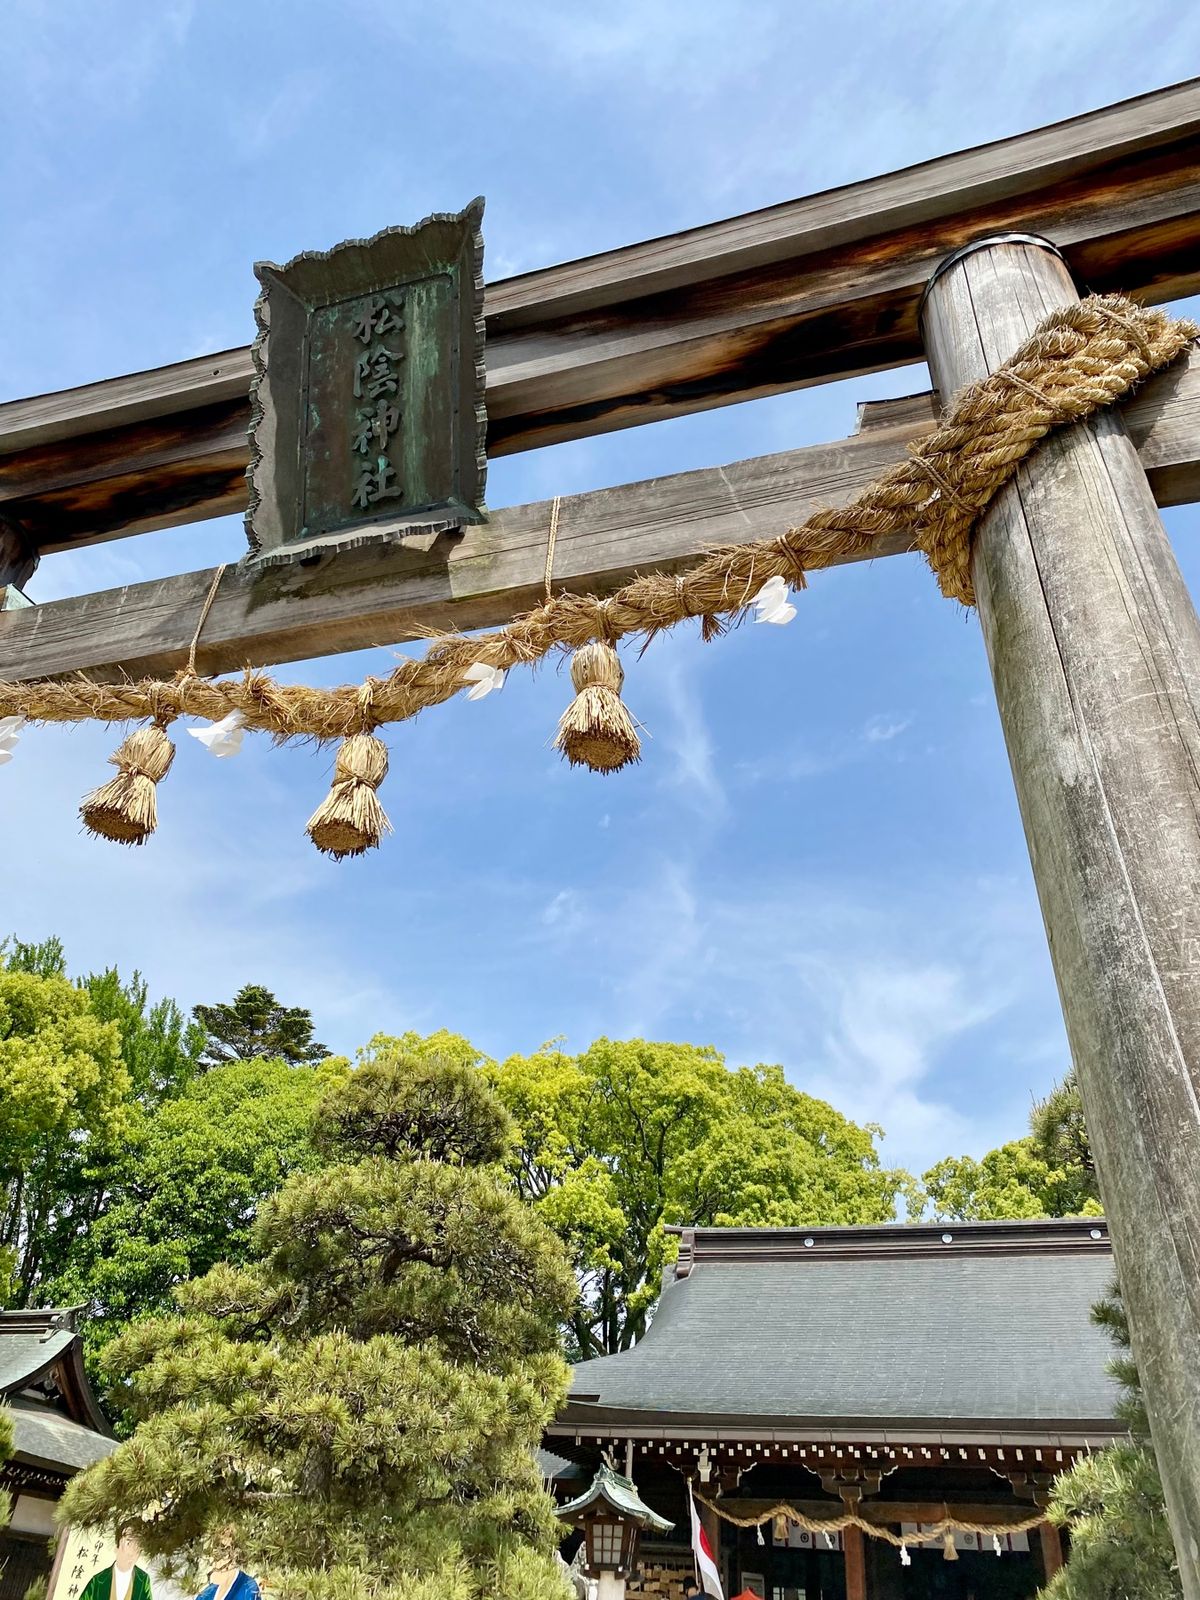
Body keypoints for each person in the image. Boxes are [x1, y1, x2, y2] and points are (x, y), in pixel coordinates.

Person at [79, 1529, 152, 1600]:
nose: (132, 1550)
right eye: (128, 1543)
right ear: (116, 1547)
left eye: (138, 1545)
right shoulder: (98, 1580)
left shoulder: (143, 1579)